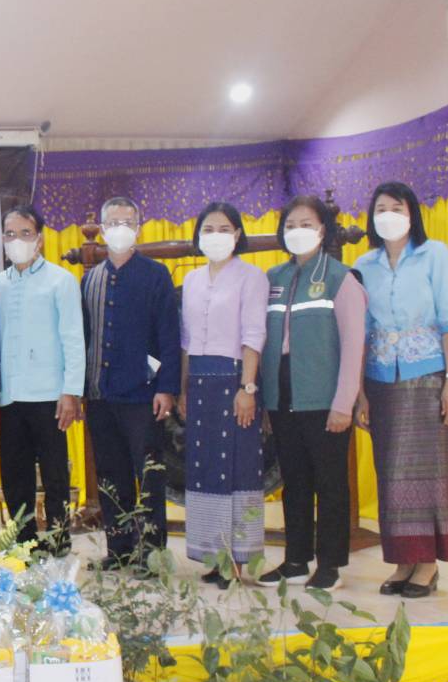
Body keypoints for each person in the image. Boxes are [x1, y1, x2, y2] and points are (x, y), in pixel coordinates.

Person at [354, 181, 448, 598]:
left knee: (425, 472)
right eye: (380, 208)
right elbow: (360, 332)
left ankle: (428, 564)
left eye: (396, 208)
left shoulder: (434, 254)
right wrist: (360, 393)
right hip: (381, 380)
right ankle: (403, 561)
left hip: (427, 377)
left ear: (411, 213)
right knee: (391, 473)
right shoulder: (363, 264)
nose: (388, 215)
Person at [258, 196, 367, 592]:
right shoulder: (274, 277)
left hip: (325, 396)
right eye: (290, 224)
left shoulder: (341, 278)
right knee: (294, 480)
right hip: (282, 393)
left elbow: (354, 346)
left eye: (306, 224)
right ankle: (295, 560)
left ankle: (330, 564)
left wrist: (344, 403)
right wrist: (266, 400)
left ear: (323, 230)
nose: (297, 231)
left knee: (330, 483)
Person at [80, 197, 180, 567]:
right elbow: (84, 338)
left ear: (138, 227)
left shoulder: (156, 275)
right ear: (102, 228)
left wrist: (167, 387)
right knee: (110, 474)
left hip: (143, 393)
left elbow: (169, 335)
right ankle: (118, 550)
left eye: (127, 221)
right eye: (113, 222)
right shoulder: (90, 279)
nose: (119, 228)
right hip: (100, 393)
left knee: (149, 474)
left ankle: (151, 554)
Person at [176, 202, 269, 585]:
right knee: (204, 469)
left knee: (236, 469)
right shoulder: (192, 280)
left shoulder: (252, 277)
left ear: (238, 234)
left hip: (234, 382)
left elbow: (254, 334)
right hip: (199, 384)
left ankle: (237, 559)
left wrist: (247, 387)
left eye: (224, 229)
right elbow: (185, 341)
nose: (216, 236)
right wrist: (183, 388)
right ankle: (214, 555)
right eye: (208, 229)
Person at [0, 204, 84, 550]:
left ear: (40, 239)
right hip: (10, 394)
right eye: (10, 234)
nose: (17, 240)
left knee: (55, 473)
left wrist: (71, 391)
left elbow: (73, 338)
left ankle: (58, 539)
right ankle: (23, 542)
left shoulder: (61, 280)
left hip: (50, 395)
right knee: (15, 475)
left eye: (25, 233)